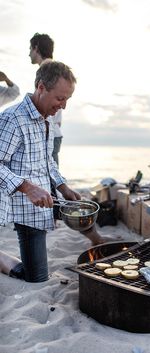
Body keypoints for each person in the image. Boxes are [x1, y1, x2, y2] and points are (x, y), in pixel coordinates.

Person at [0, 61, 107, 283]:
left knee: (80, 210)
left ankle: (97, 239)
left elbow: (47, 160)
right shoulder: (12, 119)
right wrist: (27, 188)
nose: (64, 106)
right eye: (60, 98)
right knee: (36, 278)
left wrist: (62, 186)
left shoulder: (45, 119)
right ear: (41, 87)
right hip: (24, 208)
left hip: (48, 198)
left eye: (67, 99)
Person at [29, 32, 63, 166]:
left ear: (36, 48)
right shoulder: (56, 69)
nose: (29, 54)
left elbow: (39, 105)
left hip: (48, 132)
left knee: (47, 179)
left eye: (30, 49)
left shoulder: (46, 70)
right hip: (53, 131)